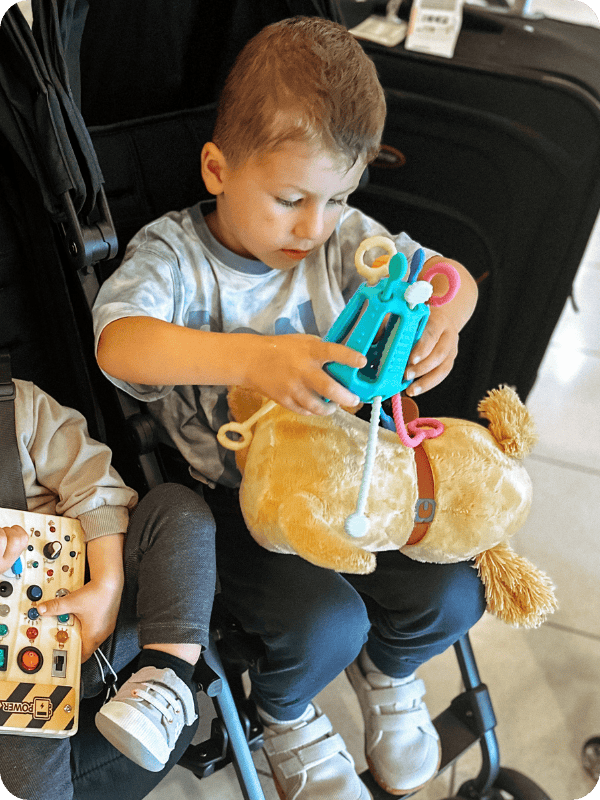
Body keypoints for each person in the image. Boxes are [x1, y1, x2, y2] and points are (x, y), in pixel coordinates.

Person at [92, 16, 486, 800]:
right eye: (289, 199)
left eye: (339, 196)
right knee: (322, 624)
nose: (313, 227)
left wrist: (447, 315)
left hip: (350, 473)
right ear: (217, 168)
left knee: (454, 590)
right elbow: (119, 345)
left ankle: (391, 670)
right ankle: (285, 713)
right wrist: (253, 358)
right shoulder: (173, 256)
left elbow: (449, 275)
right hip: (237, 501)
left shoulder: (343, 240)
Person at [0, 379, 216, 800]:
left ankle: (166, 679)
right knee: (32, 783)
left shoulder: (15, 404)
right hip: (16, 682)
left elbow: (91, 480)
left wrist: (107, 583)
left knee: (177, 510)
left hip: (108, 607)